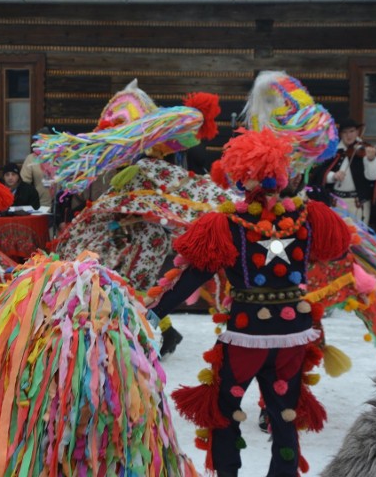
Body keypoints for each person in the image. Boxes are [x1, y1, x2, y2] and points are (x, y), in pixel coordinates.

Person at [149, 127, 351, 477]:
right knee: (284, 412)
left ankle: (228, 472)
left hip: (246, 336)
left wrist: (154, 312)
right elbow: (338, 250)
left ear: (243, 179)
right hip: (293, 335)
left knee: (225, 411)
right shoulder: (307, 217)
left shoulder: (227, 223)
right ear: (283, 175)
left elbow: (194, 276)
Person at [309, 117, 376, 224]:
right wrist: (333, 176)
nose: (349, 135)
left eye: (352, 131)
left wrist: (371, 160)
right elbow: (319, 173)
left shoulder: (364, 150)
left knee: (359, 239)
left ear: (357, 132)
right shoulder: (334, 151)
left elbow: (373, 176)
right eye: (345, 132)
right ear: (340, 134)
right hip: (336, 202)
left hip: (358, 203)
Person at [20, 128, 53, 210]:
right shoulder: (31, 159)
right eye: (37, 140)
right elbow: (24, 183)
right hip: (39, 205)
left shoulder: (58, 157)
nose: (40, 143)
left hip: (59, 204)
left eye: (44, 140)